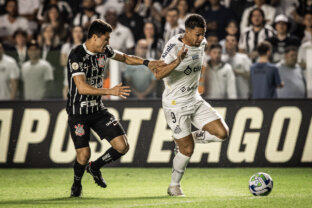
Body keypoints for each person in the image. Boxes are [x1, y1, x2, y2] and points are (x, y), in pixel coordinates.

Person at [67, 19, 162, 197]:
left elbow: (125, 58)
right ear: (94, 37)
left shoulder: (105, 51)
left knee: (122, 146)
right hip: (78, 112)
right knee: (84, 154)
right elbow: (81, 87)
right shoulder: (77, 55)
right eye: (106, 39)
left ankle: (95, 167)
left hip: (97, 110)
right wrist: (111, 91)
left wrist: (147, 63)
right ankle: (76, 184)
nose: (108, 43)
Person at [153, 14, 229, 196]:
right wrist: (178, 61)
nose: (200, 38)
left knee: (222, 134)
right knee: (187, 150)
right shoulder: (174, 46)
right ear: (186, 31)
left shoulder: (201, 43)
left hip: (194, 99)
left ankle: (186, 139)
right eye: (196, 34)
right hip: (175, 104)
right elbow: (158, 73)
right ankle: (174, 186)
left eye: (203, 34)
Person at [222, 35, 251, 99]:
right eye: (227, 41)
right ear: (225, 44)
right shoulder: (221, 59)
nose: (230, 42)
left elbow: (250, 75)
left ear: (236, 43)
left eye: (233, 40)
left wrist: (238, 73)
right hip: (225, 95)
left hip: (243, 94)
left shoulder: (244, 57)